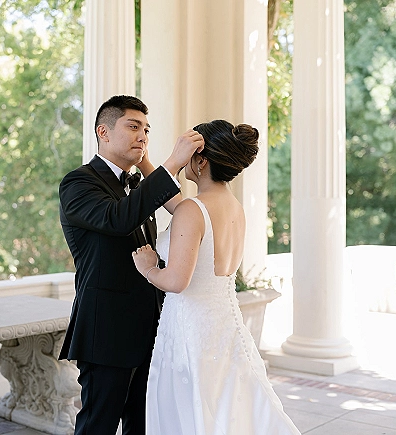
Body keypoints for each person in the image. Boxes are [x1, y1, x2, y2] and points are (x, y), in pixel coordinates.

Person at [132, 119, 301, 435]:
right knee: (226, 406)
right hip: (223, 324)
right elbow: (185, 211)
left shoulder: (193, 210)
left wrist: (149, 268)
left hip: (191, 326)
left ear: (201, 160)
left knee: (193, 408)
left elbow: (177, 282)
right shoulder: (233, 206)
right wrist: (146, 163)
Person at [58, 94, 204, 435]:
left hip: (150, 326)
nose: (143, 135)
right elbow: (117, 219)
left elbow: (183, 211)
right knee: (99, 424)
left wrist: (151, 166)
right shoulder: (79, 182)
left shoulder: (138, 184)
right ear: (104, 133)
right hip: (106, 329)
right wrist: (172, 164)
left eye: (147, 129)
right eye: (133, 126)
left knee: (144, 422)